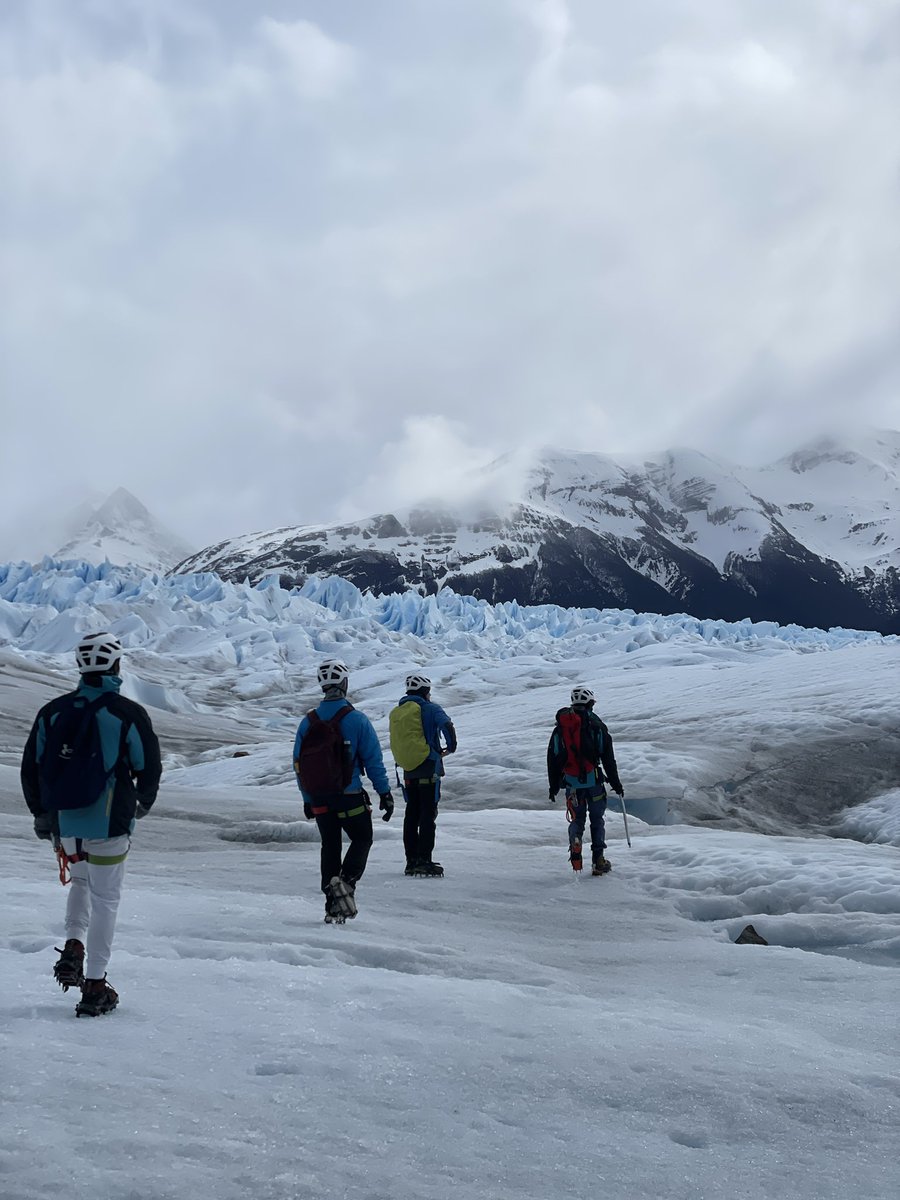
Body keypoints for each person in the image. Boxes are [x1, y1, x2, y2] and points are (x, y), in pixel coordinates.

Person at [20, 632, 162, 1016]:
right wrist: (141, 805)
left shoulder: (53, 711)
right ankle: (96, 985)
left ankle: (74, 944)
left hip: (65, 823)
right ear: (116, 665)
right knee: (106, 900)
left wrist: (42, 814)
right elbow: (148, 767)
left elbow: (31, 768)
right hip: (110, 823)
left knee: (80, 882)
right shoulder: (125, 713)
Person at [293, 659, 394, 923]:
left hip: (319, 799)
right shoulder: (357, 720)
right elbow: (373, 760)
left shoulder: (308, 722)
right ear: (345, 684)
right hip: (349, 798)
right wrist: (384, 792)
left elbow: (298, 764)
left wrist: (307, 798)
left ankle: (331, 905)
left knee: (330, 845)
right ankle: (346, 883)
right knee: (362, 838)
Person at [547, 685, 624, 875]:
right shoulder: (597, 726)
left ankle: (575, 844)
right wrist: (616, 783)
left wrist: (554, 786)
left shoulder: (561, 728)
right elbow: (608, 759)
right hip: (594, 783)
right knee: (597, 820)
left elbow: (553, 758)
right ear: (590, 703)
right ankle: (598, 861)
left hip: (572, 784)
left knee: (577, 819)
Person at [389, 674, 457, 877]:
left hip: (408, 769)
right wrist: (450, 748)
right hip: (428, 767)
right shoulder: (430, 708)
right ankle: (424, 860)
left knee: (412, 814)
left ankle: (411, 861)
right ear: (426, 692)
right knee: (428, 814)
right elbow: (447, 725)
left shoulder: (398, 711)